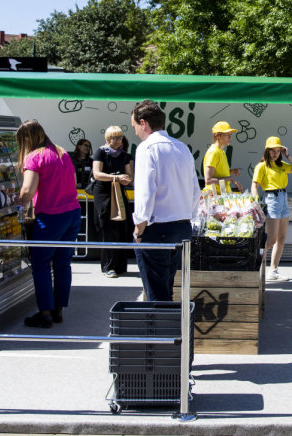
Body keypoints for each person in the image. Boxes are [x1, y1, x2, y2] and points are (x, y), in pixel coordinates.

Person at [130, 100, 201, 301]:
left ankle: (160, 331)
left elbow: (145, 193)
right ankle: (168, 329)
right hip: (182, 225)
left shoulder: (146, 149)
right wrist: (189, 216)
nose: (134, 131)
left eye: (134, 126)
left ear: (143, 123)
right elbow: (196, 191)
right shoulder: (182, 148)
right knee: (166, 289)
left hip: (157, 228)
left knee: (156, 293)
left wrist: (139, 229)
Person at [16, 120, 82, 328]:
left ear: (27, 139)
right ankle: (58, 310)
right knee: (63, 263)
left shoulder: (34, 157)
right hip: (72, 213)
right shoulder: (62, 152)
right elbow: (73, 180)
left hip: (51, 216)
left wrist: (14, 201)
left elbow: (27, 191)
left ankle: (44, 313)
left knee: (41, 264)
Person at [251, 136, 292, 282]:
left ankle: (273, 270)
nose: (275, 153)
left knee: (282, 237)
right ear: (267, 151)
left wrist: (288, 155)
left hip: (284, 198)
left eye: (278, 150)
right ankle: (253, 259)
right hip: (271, 199)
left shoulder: (282, 165)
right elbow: (255, 185)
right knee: (271, 238)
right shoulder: (261, 166)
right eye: (272, 150)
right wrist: (256, 202)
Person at [92, 126, 135, 278]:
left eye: (120, 138)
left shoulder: (125, 156)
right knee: (108, 227)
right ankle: (108, 267)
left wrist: (125, 179)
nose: (117, 141)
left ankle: (121, 266)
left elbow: (130, 177)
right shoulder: (100, 152)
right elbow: (97, 174)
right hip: (103, 193)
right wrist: (115, 177)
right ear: (107, 139)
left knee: (121, 227)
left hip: (119, 193)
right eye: (114, 138)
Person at [204, 121, 241, 192]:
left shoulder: (221, 152)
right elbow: (208, 180)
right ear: (217, 136)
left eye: (230, 134)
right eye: (227, 134)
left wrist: (231, 171)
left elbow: (219, 174)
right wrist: (230, 178)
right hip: (215, 198)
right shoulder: (213, 152)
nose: (230, 137)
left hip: (221, 196)